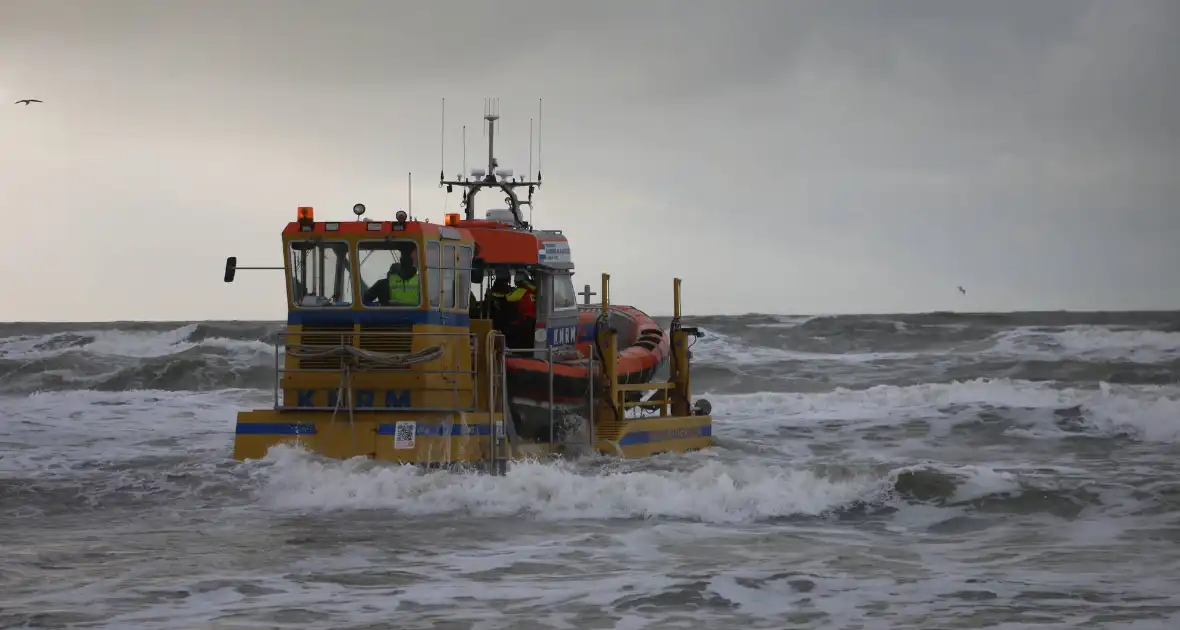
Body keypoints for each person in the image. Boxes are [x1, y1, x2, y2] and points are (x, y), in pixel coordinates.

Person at [505, 269, 537, 348]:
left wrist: (509, 291)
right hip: (533, 318)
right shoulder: (533, 289)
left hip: (524, 319)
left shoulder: (522, 290)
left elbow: (509, 298)